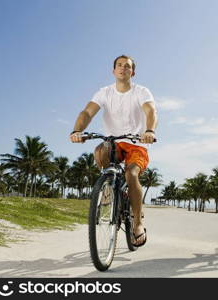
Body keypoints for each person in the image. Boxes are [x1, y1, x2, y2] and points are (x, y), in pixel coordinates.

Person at [70, 55, 157, 247]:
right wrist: (77, 130)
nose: (123, 68)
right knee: (100, 151)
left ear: (132, 72)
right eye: (119, 65)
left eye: (127, 66)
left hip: (137, 143)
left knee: (131, 174)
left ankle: (138, 223)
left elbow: (151, 111)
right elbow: (87, 113)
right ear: (113, 70)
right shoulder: (105, 93)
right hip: (114, 143)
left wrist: (149, 131)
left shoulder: (141, 91)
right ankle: (108, 188)